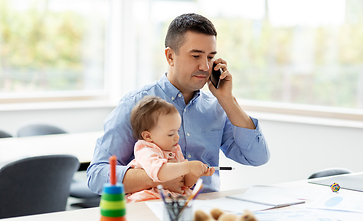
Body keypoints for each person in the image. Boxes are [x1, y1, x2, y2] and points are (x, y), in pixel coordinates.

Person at [87, 13, 270, 195]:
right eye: (196, 56)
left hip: (206, 211)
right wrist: (160, 176)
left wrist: (227, 100)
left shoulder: (216, 108)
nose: (205, 67)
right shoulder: (135, 104)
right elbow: (97, 176)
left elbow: (257, 158)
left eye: (210, 57)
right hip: (153, 211)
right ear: (170, 57)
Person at [126, 95, 214, 203]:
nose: (177, 137)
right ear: (148, 136)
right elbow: (160, 172)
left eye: (178, 131)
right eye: (171, 134)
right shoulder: (145, 149)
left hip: (174, 198)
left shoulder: (175, 149)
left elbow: (184, 182)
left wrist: (195, 173)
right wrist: (188, 166)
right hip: (150, 197)